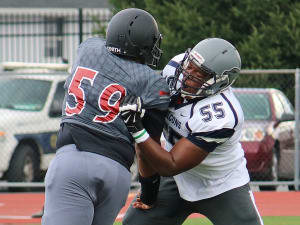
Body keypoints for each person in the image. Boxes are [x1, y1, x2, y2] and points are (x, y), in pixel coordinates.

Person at [42, 8, 170, 225]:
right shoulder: (155, 84)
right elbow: (146, 148)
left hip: (73, 159)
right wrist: (149, 192)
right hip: (117, 172)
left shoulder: (88, 49)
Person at [119, 38, 264, 225]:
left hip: (221, 183)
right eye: (190, 65)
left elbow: (171, 165)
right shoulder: (175, 68)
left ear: (220, 82)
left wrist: (136, 128)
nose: (189, 74)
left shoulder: (222, 115)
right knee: (135, 223)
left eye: (201, 73)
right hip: (177, 179)